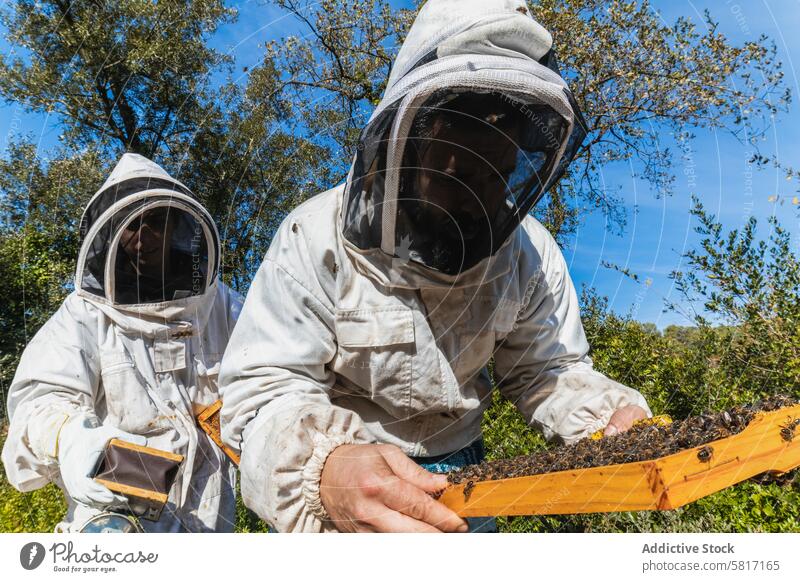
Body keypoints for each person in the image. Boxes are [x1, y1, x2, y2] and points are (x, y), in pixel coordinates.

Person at [219, 0, 651, 533]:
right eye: (458, 157)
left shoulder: (531, 256)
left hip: (469, 478)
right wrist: (325, 468)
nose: (473, 182)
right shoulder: (313, 235)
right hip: (353, 484)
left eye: (498, 160)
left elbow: (547, 370)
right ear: (410, 137)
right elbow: (264, 386)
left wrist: (609, 418)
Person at [1, 153, 243, 532]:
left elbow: (273, 373)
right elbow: (39, 399)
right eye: (131, 227)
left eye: (155, 224)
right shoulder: (85, 313)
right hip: (115, 528)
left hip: (212, 528)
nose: (143, 240)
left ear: (178, 227)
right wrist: (68, 436)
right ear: (112, 232)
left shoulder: (223, 307)